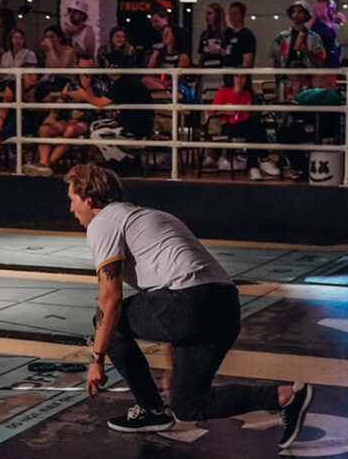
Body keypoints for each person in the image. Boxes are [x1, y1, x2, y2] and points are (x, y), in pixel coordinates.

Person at [65, 163, 314, 444]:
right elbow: (173, 286)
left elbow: (111, 298)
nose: (71, 209)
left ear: (88, 199)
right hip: (224, 305)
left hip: (188, 304)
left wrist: (96, 359)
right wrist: (175, 363)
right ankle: (285, 396)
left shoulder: (104, 222)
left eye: (72, 200)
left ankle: (150, 408)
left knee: (110, 322)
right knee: (189, 404)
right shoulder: (150, 215)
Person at [0, 71, 54, 165]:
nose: (33, 77)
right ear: (22, 75)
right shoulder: (13, 85)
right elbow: (5, 105)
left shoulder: (40, 87)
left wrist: (32, 107)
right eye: (30, 74)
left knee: (17, 121)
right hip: (13, 117)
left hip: (31, 120)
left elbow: (49, 106)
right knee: (2, 123)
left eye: (35, 74)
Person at [269, 0, 325, 98]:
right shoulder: (282, 37)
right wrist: (278, 83)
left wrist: (306, 51)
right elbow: (276, 62)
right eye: (293, 12)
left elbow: (321, 62)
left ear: (306, 15)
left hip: (308, 84)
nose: (296, 15)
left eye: (300, 12)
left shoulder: (314, 38)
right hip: (286, 83)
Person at [309, 0, 341, 69]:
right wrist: (336, 25)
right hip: (325, 62)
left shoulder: (324, 25)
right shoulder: (318, 26)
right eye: (331, 9)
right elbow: (328, 40)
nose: (333, 12)